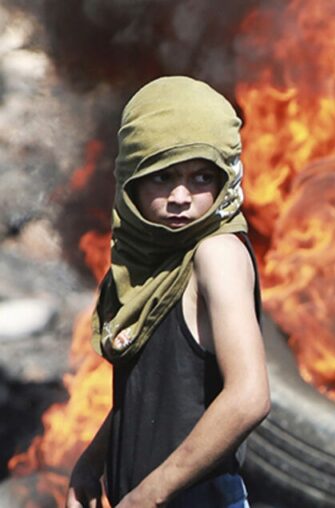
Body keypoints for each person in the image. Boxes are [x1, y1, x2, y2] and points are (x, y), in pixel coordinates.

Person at [65, 76, 270, 508]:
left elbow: (249, 397)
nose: (180, 197)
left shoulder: (216, 254)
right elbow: (154, 394)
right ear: (131, 179)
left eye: (201, 177)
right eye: (161, 177)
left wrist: (150, 495)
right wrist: (94, 459)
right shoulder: (153, 261)